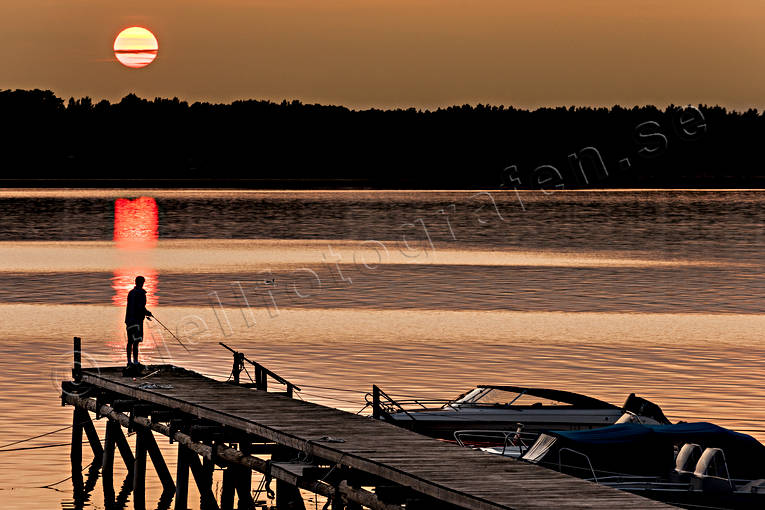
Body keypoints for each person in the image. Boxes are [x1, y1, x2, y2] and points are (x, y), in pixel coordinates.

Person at [125, 276, 152, 366]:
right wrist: (147, 312)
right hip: (137, 321)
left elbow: (135, 306)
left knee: (130, 341)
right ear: (141, 283)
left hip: (129, 320)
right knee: (135, 341)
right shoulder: (140, 293)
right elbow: (140, 307)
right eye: (142, 282)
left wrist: (145, 312)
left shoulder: (131, 293)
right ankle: (135, 361)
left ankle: (129, 361)